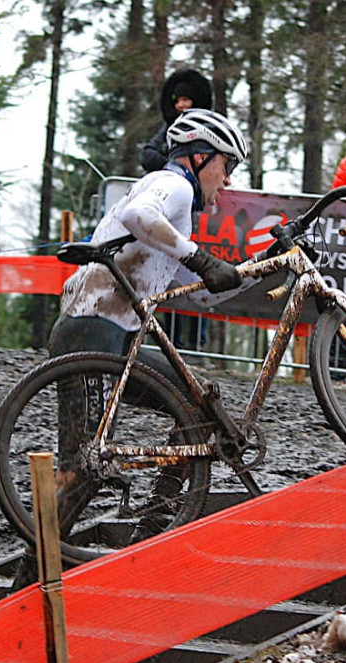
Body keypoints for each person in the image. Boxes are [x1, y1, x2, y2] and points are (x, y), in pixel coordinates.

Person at [48, 108, 250, 545]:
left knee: (197, 407)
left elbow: (200, 291)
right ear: (200, 157)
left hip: (113, 336)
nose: (228, 179)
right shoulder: (173, 184)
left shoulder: (176, 214)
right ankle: (30, 576)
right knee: (81, 469)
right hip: (93, 330)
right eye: (227, 165)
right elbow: (139, 213)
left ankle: (154, 525)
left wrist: (254, 273)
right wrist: (200, 257)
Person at [140, 68, 215, 349]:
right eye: (178, 100)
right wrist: (174, 164)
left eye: (187, 100)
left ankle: (196, 343)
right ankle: (164, 336)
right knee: (165, 272)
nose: (182, 106)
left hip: (196, 216)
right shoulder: (168, 131)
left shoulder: (208, 132)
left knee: (196, 273)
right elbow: (146, 154)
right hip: (168, 211)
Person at [140, 68, 214, 173]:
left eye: (185, 100)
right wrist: (170, 165)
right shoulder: (170, 128)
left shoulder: (208, 129)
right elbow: (148, 155)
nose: (180, 105)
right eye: (177, 101)